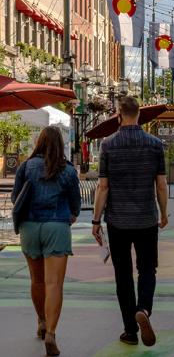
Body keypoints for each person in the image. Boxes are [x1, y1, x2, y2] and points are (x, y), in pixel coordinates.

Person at [92, 97, 169, 348]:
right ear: (139, 115)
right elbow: (160, 184)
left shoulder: (108, 145)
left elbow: (103, 187)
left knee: (122, 275)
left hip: (117, 221)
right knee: (148, 269)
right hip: (146, 218)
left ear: (118, 114)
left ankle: (130, 330)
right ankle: (144, 309)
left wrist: (95, 220)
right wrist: (164, 213)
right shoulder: (155, 144)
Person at [11, 126, 81, 356]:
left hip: (29, 227)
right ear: (60, 145)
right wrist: (69, 215)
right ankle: (51, 333)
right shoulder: (68, 170)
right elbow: (75, 204)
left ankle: (41, 320)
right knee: (54, 284)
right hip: (57, 227)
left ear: (39, 142)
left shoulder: (25, 167)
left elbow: (15, 198)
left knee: (36, 280)